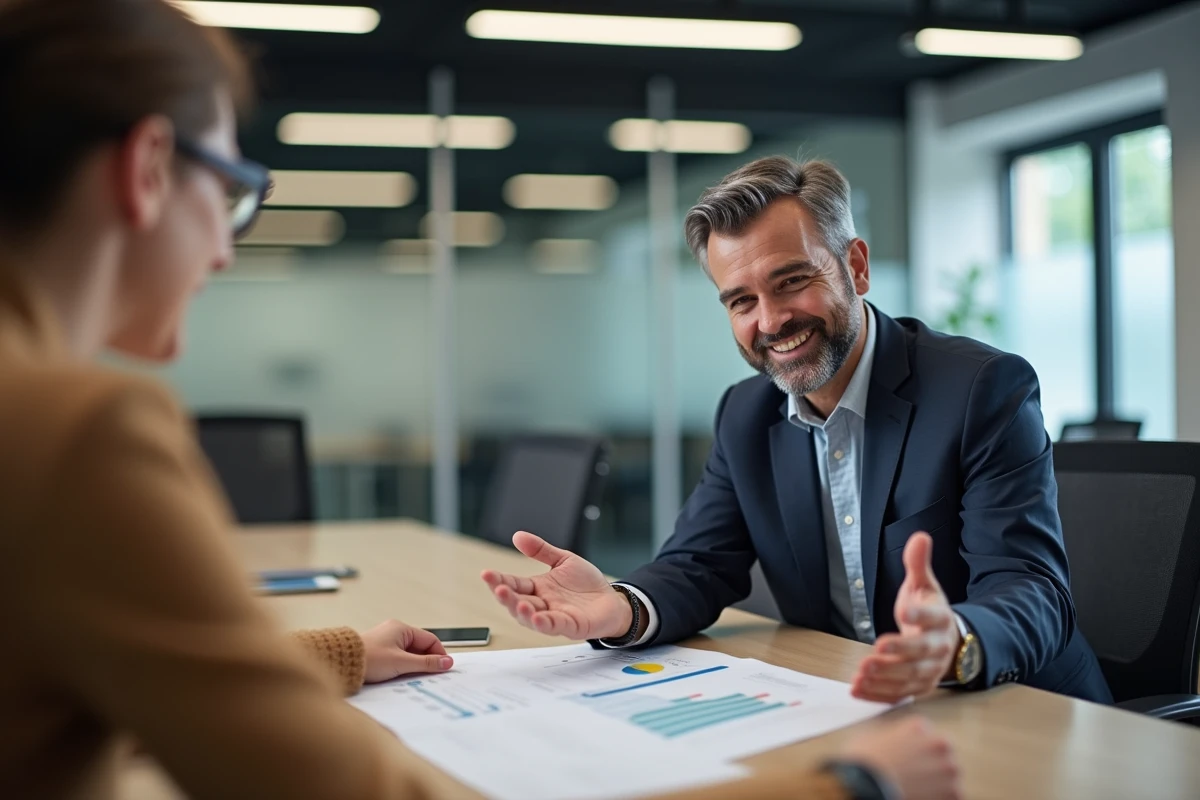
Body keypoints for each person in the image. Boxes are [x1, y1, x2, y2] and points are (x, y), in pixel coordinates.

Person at [0, 1, 961, 798]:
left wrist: (340, 652)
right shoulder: (72, 434)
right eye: (237, 189)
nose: (224, 247)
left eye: (788, 284)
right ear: (148, 170)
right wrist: (844, 786)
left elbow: (161, 667)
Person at [483, 156, 1112, 706]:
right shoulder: (745, 414)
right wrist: (621, 607)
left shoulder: (980, 390)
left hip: (1013, 705)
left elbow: (1032, 590)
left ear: (856, 267)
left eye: (792, 281)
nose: (772, 320)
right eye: (741, 301)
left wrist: (955, 643)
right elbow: (699, 564)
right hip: (850, 700)